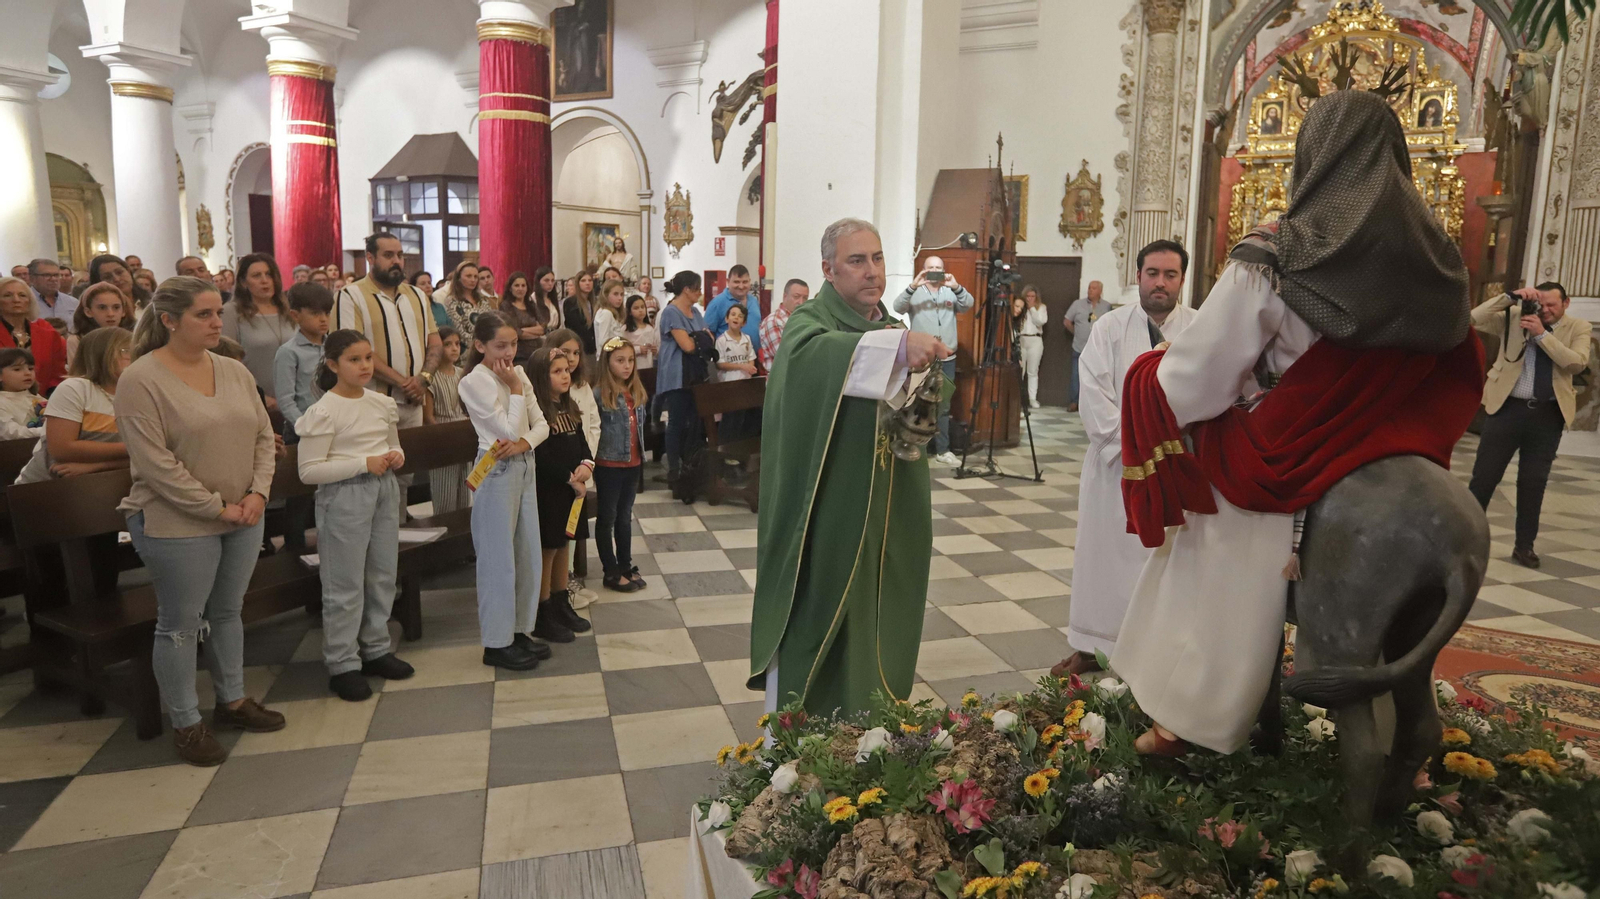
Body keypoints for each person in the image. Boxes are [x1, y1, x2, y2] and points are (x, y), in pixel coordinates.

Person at [1110, 91, 1483, 757]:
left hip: (1291, 443)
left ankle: (1192, 717)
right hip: (1383, 439)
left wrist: (1154, 371)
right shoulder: (1438, 258)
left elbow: (1199, 379)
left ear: (1311, 157)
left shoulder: (1279, 250)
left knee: (1215, 527)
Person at [748, 219, 948, 716]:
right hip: (828, 512)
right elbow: (809, 357)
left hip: (882, 508)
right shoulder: (809, 321)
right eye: (857, 261)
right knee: (820, 612)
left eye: (878, 259)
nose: (872, 272)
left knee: (875, 613)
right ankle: (796, 743)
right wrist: (897, 351)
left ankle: (868, 729)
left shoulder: (888, 324)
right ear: (828, 269)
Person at [117, 276, 286, 766]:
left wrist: (257, 493)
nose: (218, 322)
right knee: (179, 624)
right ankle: (187, 722)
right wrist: (216, 507)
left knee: (228, 611)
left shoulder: (231, 370)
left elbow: (261, 434)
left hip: (244, 512)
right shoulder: (141, 378)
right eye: (204, 315)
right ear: (169, 320)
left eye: (219, 312)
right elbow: (155, 465)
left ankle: (232, 700)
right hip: (177, 521)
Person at [1053, 240, 1198, 678]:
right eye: (1152, 273)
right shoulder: (1110, 327)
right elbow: (1093, 392)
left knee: (1169, 557)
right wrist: (1134, 443)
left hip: (1176, 462)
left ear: (1182, 280)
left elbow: (1213, 389)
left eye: (1170, 275)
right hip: (1118, 464)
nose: (1160, 282)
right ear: (1138, 276)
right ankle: (1094, 645)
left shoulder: (1199, 328)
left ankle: (1160, 647)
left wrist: (1169, 440)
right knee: (1107, 556)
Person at [295, 329, 415, 701]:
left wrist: (396, 457)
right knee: (344, 584)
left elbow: (393, 446)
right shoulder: (324, 411)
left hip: (383, 491)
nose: (365, 366)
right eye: (354, 360)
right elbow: (309, 471)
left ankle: (376, 647)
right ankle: (343, 662)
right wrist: (363, 463)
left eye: (368, 358)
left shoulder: (380, 403)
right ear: (333, 365)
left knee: (381, 574)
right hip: (344, 497)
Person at [1467, 282, 1592, 568]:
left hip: (1548, 415)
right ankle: (1465, 542)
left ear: (1566, 303)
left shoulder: (1578, 327)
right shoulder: (1514, 318)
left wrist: (1541, 335)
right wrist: (1508, 298)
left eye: (1552, 305)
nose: (1545, 310)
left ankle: (1524, 547)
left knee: (1533, 482)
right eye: (1541, 304)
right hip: (1507, 409)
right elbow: (1473, 319)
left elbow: (1576, 363)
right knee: (1484, 479)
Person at [459, 315, 553, 667]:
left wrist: (527, 442)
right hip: (495, 469)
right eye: (501, 345)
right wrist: (513, 388)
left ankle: (517, 631)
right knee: (498, 560)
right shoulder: (474, 381)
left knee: (526, 552)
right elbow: (507, 431)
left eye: (513, 344)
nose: (509, 352)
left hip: (524, 463)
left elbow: (541, 423)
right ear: (480, 346)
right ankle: (495, 644)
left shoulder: (519, 373)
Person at [334, 232, 441, 441]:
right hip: (372, 402)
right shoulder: (349, 296)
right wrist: (406, 384)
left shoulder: (418, 295)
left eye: (400, 255)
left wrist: (423, 379)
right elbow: (352, 352)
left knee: (409, 470)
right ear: (370, 258)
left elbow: (435, 342)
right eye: (388, 255)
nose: (396, 261)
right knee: (378, 468)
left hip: (414, 403)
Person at [527, 347, 596, 638]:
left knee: (565, 544)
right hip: (551, 490)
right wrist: (570, 478)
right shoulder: (539, 413)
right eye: (557, 372)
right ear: (542, 378)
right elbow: (542, 455)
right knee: (549, 548)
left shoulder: (569, 407)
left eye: (566, 370)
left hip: (572, 490)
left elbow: (582, 442)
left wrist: (586, 464)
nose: (565, 375)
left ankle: (560, 601)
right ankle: (543, 612)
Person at [15, 327, 132, 484]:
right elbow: (61, 448)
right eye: (126, 350)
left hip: (105, 483)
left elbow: (150, 459)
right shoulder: (75, 388)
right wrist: (136, 448)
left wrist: (98, 467)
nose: (135, 356)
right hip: (47, 489)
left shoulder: (137, 393)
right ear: (102, 354)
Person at [892, 256, 971, 466]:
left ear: (944, 271)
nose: (934, 271)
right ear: (924, 271)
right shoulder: (915, 292)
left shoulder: (950, 292)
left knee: (943, 405)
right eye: (930, 268)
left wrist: (956, 286)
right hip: (922, 359)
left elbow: (968, 304)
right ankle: (917, 448)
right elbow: (897, 307)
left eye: (938, 268)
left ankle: (942, 450)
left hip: (947, 359)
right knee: (915, 403)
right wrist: (912, 285)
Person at [593, 338, 648, 592]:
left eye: (630, 360)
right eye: (620, 360)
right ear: (607, 363)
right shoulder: (600, 394)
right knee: (608, 517)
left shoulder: (636, 391)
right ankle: (610, 570)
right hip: (609, 464)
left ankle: (625, 564)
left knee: (625, 517)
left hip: (633, 463)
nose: (627, 366)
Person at [655, 272, 711, 485]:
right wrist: (700, 339)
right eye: (697, 289)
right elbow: (687, 346)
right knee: (676, 422)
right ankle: (674, 471)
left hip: (695, 374)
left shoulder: (695, 311)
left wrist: (698, 338)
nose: (699, 293)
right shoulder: (671, 312)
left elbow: (709, 338)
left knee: (694, 422)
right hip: (677, 374)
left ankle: (691, 466)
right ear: (686, 289)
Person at [224, 254, 295, 408]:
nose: (265, 280)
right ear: (243, 282)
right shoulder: (231, 312)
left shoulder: (289, 310)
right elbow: (227, 360)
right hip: (255, 401)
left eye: (269, 274)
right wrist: (259, 395)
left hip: (296, 400)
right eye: (257, 276)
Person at [422, 326, 472, 515]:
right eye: (447, 344)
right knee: (445, 499)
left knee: (464, 495)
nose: (454, 349)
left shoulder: (462, 374)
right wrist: (444, 438)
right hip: (442, 437)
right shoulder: (430, 378)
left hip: (463, 436)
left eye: (457, 344)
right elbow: (428, 417)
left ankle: (460, 538)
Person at [274, 282, 333, 439]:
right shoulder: (288, 352)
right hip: (302, 431)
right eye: (315, 314)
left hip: (334, 426)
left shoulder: (334, 348)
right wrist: (304, 427)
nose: (323, 319)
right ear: (295, 315)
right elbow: (285, 400)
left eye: (327, 313)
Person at [0, 276, 67, 393]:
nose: (16, 300)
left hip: (41, 400)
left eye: (22, 295)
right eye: (7, 295)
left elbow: (57, 376)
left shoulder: (49, 336)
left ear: (30, 301)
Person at [1063, 280, 1112, 413]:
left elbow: (1110, 325)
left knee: (1097, 376)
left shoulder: (1107, 306)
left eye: (1094, 288)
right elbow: (1067, 321)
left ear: (1100, 291)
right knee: (1076, 375)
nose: (1090, 290)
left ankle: (1094, 404)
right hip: (1079, 346)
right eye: (1089, 288)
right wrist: (1076, 333)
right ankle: (1074, 402)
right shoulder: (1077, 304)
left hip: (1098, 349)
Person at [67, 282, 133, 365]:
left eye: (116, 307)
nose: (110, 314)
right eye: (102, 308)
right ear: (88, 312)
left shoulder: (134, 337)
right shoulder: (77, 340)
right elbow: (77, 374)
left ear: (123, 311)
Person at [704, 264, 761, 348]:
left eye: (745, 282)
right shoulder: (717, 303)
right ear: (728, 281)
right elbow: (707, 334)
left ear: (749, 281)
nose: (741, 286)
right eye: (736, 282)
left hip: (753, 358)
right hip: (727, 359)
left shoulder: (754, 301)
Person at [759, 278, 810, 371]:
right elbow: (786, 357)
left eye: (805, 298)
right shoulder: (774, 321)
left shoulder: (805, 320)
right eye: (796, 296)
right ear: (784, 296)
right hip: (781, 382)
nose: (801, 302)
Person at [499, 271, 547, 363]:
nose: (520, 289)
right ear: (510, 288)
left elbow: (543, 328)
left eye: (523, 285)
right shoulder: (506, 306)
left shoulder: (531, 305)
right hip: (519, 355)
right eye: (516, 285)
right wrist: (535, 331)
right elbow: (514, 332)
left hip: (537, 352)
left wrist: (523, 330)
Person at [0, 348, 45, 440]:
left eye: (30, 369)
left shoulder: (35, 396)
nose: (27, 373)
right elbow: (11, 433)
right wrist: (46, 431)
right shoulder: (2, 401)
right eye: (17, 369)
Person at [441, 261, 493, 341]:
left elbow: (491, 322)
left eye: (475, 277)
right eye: (468, 276)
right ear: (458, 278)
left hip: (487, 344)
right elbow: (459, 331)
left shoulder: (483, 299)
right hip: (466, 347)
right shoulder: (452, 300)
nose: (473, 280)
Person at [1016, 285, 1049, 408]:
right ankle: (1017, 398)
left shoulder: (1041, 307)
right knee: (1020, 370)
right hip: (1021, 339)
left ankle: (1032, 399)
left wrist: (1032, 309)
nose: (1030, 299)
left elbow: (1041, 321)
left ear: (1036, 297)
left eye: (1032, 296)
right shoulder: (1020, 307)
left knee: (1033, 371)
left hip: (1035, 340)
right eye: (1028, 296)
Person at [28, 258, 77, 326]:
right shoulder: (24, 302)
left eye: (56, 275)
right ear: (32, 278)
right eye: (47, 275)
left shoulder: (72, 302)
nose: (53, 279)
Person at [562, 270, 599, 356]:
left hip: (593, 347)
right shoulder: (571, 302)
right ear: (577, 284)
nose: (587, 283)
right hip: (579, 346)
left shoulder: (595, 302)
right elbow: (575, 326)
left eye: (590, 280)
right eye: (583, 281)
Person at [622, 295, 659, 370]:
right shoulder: (626, 329)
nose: (640, 310)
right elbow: (623, 349)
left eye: (642, 307)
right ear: (629, 312)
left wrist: (655, 350)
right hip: (633, 368)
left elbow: (656, 346)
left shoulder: (650, 328)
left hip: (649, 366)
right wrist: (639, 349)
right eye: (636, 308)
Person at [594, 278, 628, 351]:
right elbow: (603, 341)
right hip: (608, 357)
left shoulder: (610, 313)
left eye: (621, 295)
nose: (620, 298)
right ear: (606, 295)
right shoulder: (606, 313)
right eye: (615, 294)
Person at [533, 266, 563, 336]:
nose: (550, 284)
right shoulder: (532, 299)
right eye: (546, 280)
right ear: (538, 281)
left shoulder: (552, 299)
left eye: (552, 280)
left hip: (554, 336)